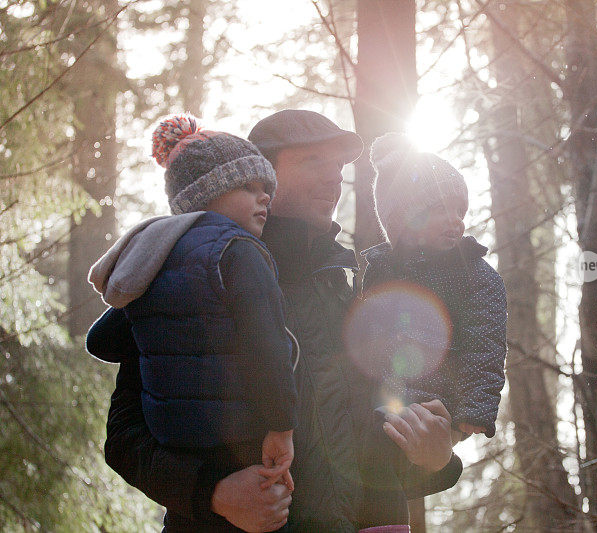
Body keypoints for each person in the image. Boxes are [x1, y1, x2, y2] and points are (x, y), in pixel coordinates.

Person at [87, 110, 461, 533]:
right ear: (257, 175)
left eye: (339, 165)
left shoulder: (349, 291)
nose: (335, 177)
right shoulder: (188, 278)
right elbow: (123, 437)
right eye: (312, 161)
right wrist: (214, 493)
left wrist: (435, 458)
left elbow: (365, 450)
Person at [87, 114, 298, 530]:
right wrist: (281, 427)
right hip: (243, 449)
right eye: (248, 187)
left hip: (180, 459)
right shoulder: (240, 250)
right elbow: (268, 345)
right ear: (209, 191)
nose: (265, 199)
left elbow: (103, 341)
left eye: (266, 190)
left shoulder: (153, 261)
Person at [350, 134, 507, 527]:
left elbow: (485, 344)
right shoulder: (381, 269)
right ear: (405, 218)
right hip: (377, 403)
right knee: (370, 476)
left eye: (460, 209)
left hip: (436, 404)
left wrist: (476, 408)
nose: (455, 219)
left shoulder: (474, 275)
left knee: (388, 474)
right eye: (440, 209)